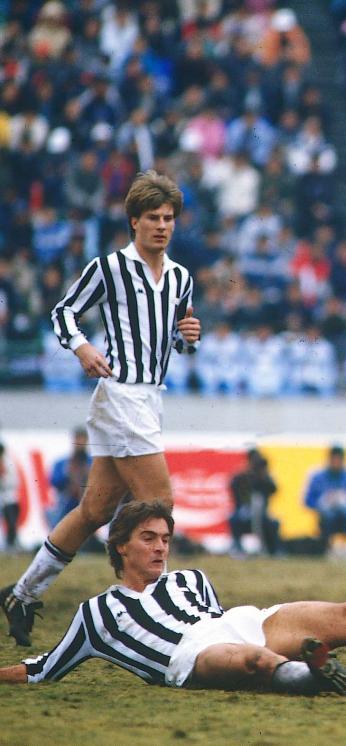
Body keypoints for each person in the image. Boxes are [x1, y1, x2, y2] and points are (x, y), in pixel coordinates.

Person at [0, 501, 346, 695]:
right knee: (247, 661)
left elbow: (221, 618)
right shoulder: (96, 614)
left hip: (241, 622)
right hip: (188, 656)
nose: (161, 547)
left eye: (164, 538)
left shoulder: (191, 578)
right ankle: (309, 677)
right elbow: (43, 669)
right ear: (119, 547)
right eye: (148, 539)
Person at [2, 170, 201, 647]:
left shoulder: (180, 277)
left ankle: (23, 594)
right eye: (152, 217)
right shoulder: (110, 267)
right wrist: (82, 348)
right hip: (121, 394)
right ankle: (160, 617)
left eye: (169, 217)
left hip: (151, 397)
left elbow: (176, 336)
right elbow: (62, 311)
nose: (162, 225)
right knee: (160, 506)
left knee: (94, 509)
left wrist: (188, 339)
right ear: (133, 221)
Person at [303, 445, 346, 554]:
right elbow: (308, 500)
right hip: (325, 516)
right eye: (333, 459)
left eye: (339, 459)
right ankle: (327, 545)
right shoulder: (318, 477)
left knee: (344, 513)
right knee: (328, 515)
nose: (336, 462)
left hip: (345, 515)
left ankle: (345, 545)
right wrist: (323, 501)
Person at [229, 448, 281, 556]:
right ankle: (237, 547)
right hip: (244, 512)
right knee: (234, 519)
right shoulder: (241, 476)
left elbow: (274, 489)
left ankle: (275, 549)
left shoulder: (265, 477)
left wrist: (263, 477)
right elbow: (234, 490)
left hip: (262, 514)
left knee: (273, 523)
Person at [48, 427, 91, 529]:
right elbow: (54, 481)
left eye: (82, 439)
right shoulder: (62, 463)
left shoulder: (92, 462)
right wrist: (67, 474)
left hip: (87, 502)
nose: (80, 442)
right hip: (67, 502)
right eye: (77, 439)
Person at [0, 443, 18, 551]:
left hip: (8, 498)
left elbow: (14, 482)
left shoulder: (8, 463)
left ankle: (11, 543)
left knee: (11, 523)